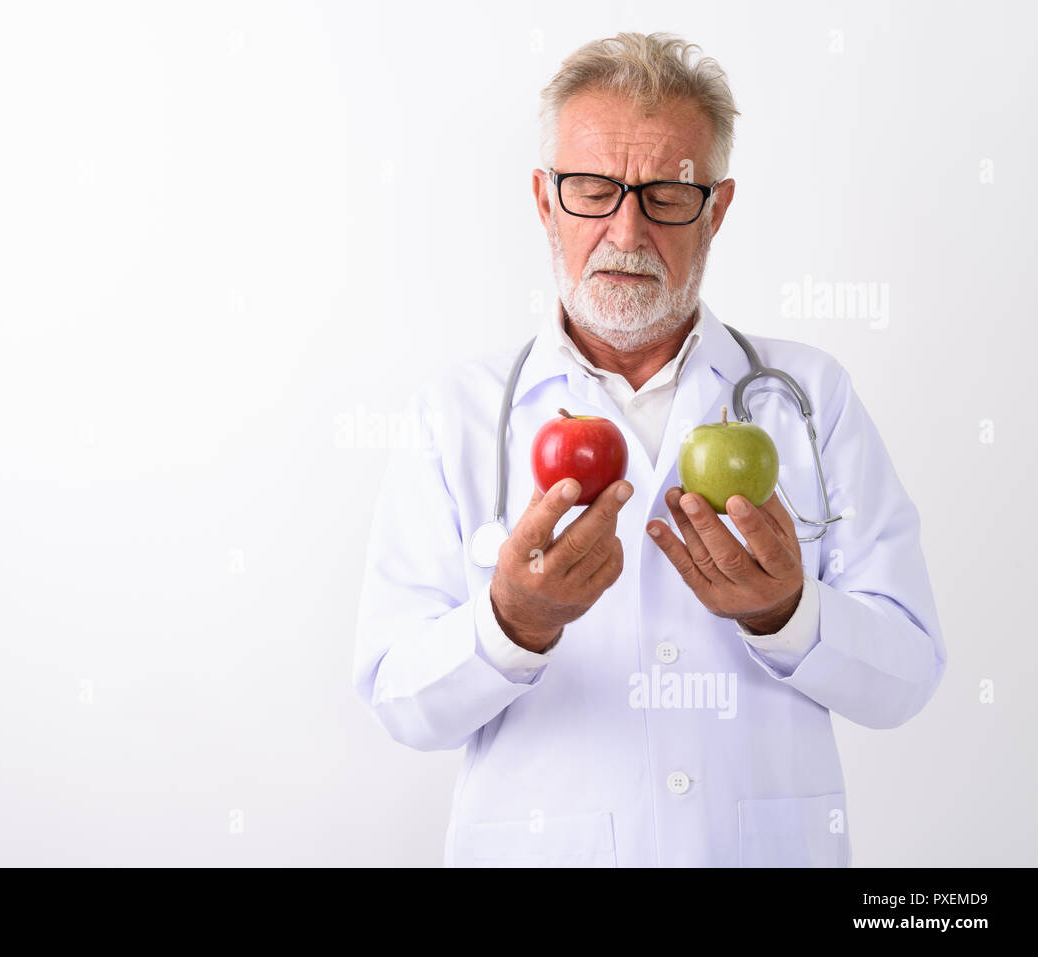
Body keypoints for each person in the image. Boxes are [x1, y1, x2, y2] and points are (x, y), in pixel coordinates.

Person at [351, 32, 946, 867]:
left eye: (669, 192)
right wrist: (510, 623)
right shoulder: (457, 414)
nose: (626, 230)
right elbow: (397, 699)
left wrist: (790, 614)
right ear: (544, 199)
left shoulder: (810, 398)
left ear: (718, 208)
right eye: (594, 188)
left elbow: (909, 674)